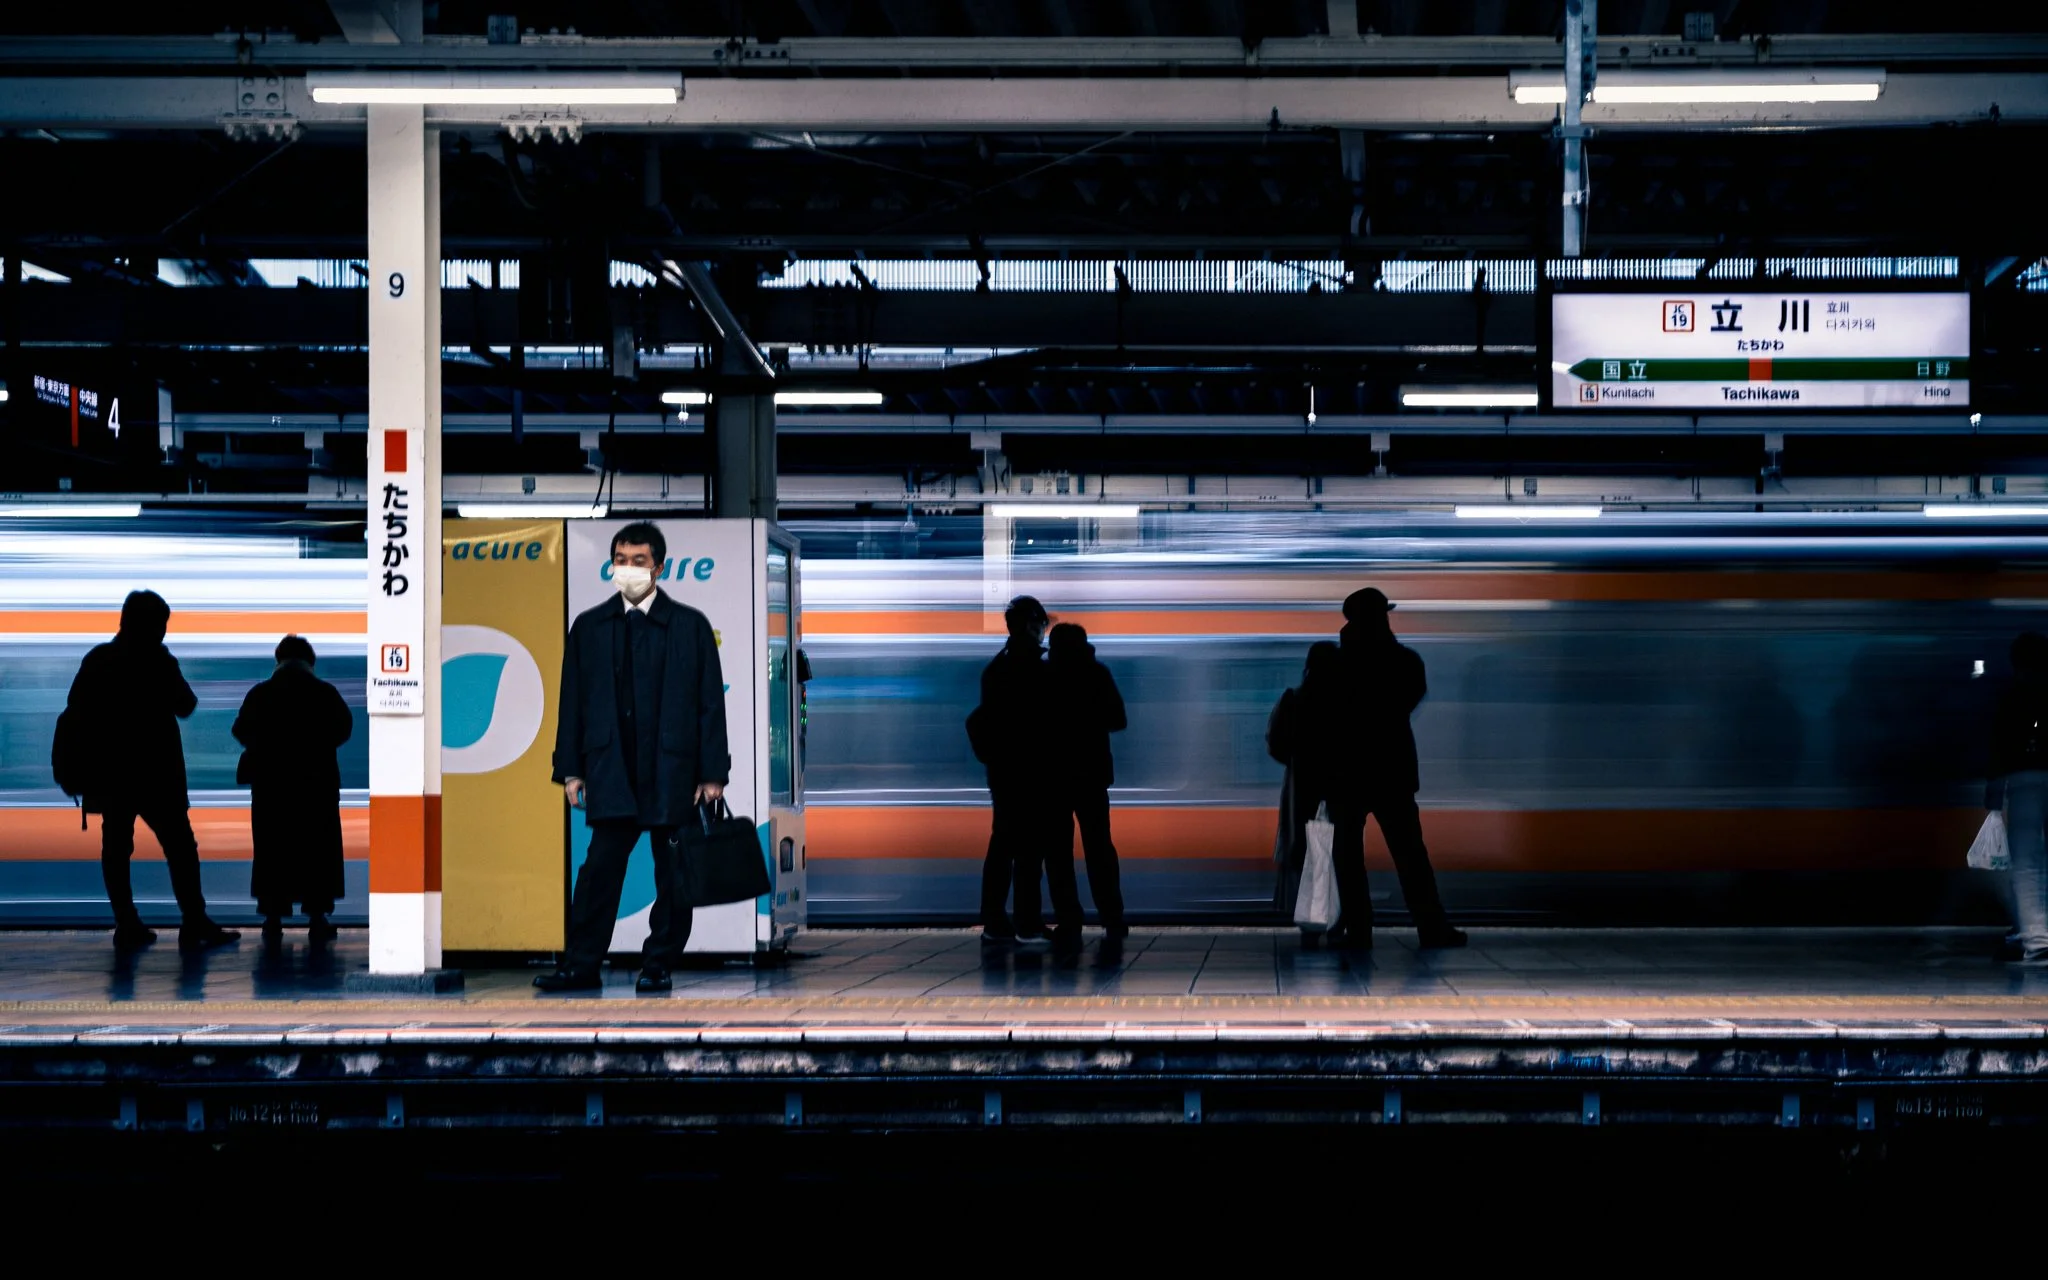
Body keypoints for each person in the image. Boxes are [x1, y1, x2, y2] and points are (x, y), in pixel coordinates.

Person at [536, 521, 730, 994]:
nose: (628, 569)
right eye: (620, 560)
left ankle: (658, 964)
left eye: (638, 561)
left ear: (659, 567)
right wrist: (570, 769)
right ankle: (580, 966)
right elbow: (573, 702)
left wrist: (713, 774)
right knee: (598, 871)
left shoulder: (690, 626)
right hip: (612, 768)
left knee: (674, 875)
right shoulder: (589, 626)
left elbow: (710, 703)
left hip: (674, 771)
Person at [62, 590, 240, 951]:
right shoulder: (157, 659)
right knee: (180, 849)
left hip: (111, 775)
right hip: (157, 775)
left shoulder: (98, 659)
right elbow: (186, 704)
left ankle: (127, 923)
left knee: (115, 850)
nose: (163, 632)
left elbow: (76, 711)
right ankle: (194, 921)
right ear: (149, 624)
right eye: (161, 625)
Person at [1318, 587, 1465, 951]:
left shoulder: (1336, 665)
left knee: (1348, 858)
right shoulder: (1405, 661)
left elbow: (1325, 715)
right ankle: (1432, 927)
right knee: (1411, 856)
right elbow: (1406, 702)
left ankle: (1359, 929)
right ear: (1381, 617)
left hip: (1345, 774)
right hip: (1391, 774)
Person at [967, 595, 1081, 948]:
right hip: (1029, 775)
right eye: (1041, 624)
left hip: (1003, 774)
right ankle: (1027, 924)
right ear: (1030, 625)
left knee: (1002, 847)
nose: (1043, 631)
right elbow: (1043, 725)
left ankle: (994, 920)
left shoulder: (996, 666)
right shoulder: (1031, 666)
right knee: (1028, 852)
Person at [232, 635, 354, 947]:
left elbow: (240, 729)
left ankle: (272, 917)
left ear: (278, 659)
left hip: (271, 787)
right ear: (310, 661)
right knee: (318, 850)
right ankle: (317, 918)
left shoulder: (261, 693)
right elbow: (344, 728)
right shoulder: (325, 693)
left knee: (273, 850)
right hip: (317, 786)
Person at [1047, 622, 1128, 938]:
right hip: (1092, 775)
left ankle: (1069, 921)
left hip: (1052, 777)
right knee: (1100, 850)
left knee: (1057, 853)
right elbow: (1118, 720)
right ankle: (1112, 918)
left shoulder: (1045, 677)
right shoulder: (1098, 674)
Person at [1269, 640, 1340, 926]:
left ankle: (1310, 922)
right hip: (1339, 786)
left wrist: (1297, 760)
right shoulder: (1346, 702)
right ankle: (1341, 922)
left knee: (1303, 851)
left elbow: (1275, 743)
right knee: (1338, 853)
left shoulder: (1293, 699)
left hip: (1301, 787)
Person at [1988, 631, 2048, 966]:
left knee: (2027, 863)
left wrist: (1994, 789)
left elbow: (2000, 744)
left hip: (2024, 782)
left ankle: (2038, 942)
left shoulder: (2014, 696)